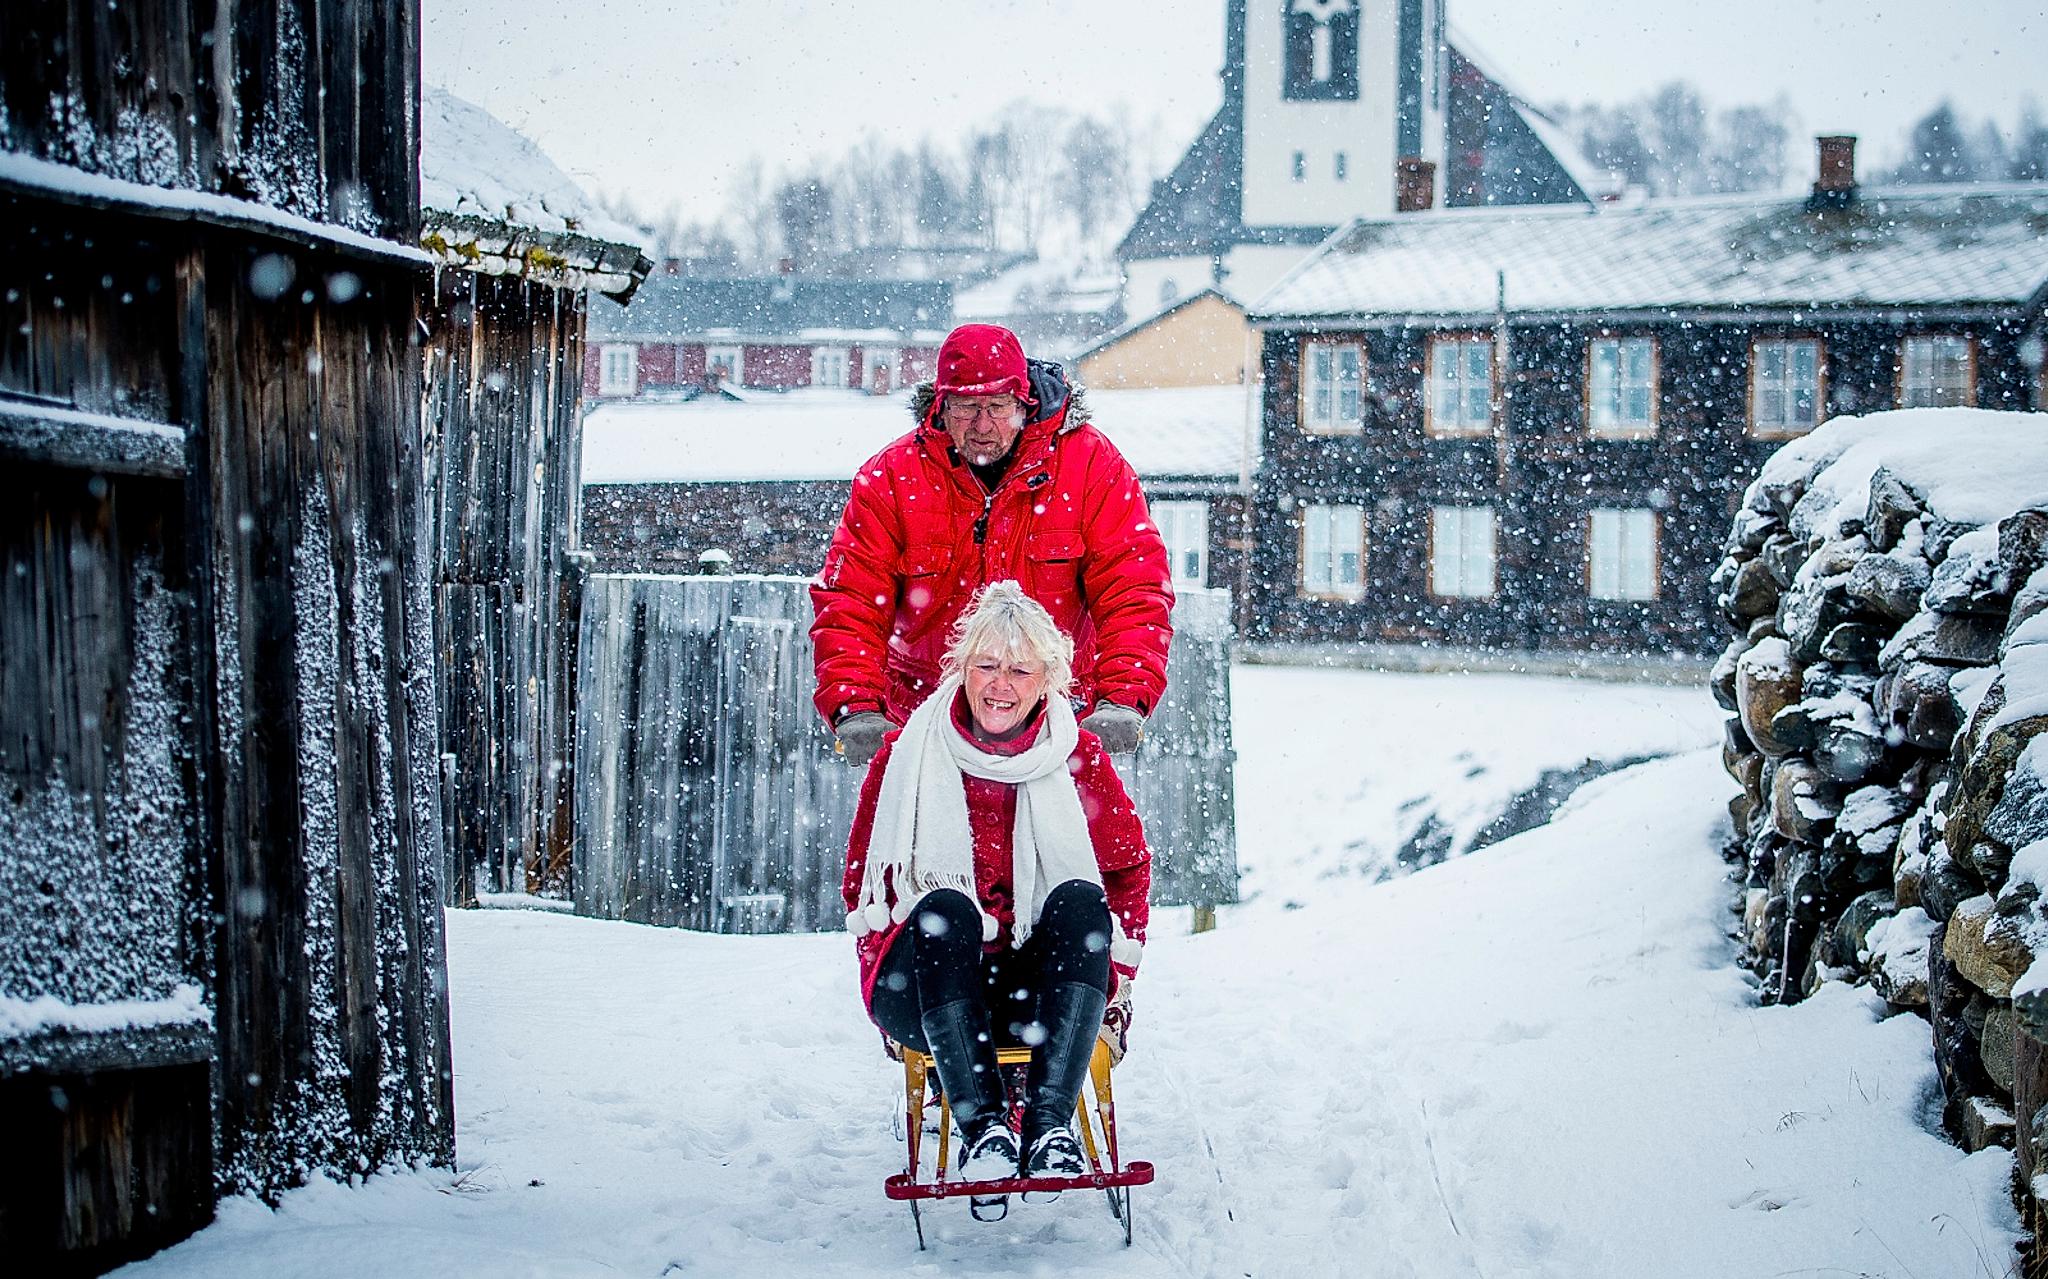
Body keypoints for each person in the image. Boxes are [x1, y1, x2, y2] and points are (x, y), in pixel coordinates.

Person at [843, 582, 1149, 1220]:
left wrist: (1112, 979)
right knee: (943, 908)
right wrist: (885, 955)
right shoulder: (910, 754)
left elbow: (1126, 877)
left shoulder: (1078, 758)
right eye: (985, 665)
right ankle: (982, 1129)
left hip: (1041, 993)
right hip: (929, 985)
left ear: (1047, 680)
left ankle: (1048, 1128)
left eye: (1019, 668)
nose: (1000, 684)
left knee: (1081, 901)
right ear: (960, 668)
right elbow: (863, 882)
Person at [809, 322, 1175, 765]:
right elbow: (852, 600)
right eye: (966, 407)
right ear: (941, 406)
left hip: (1057, 727)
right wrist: (857, 707)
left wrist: (1122, 698)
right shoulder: (890, 478)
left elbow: (1133, 588)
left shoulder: (1091, 466)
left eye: (998, 406)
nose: (983, 426)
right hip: (926, 728)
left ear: (1024, 404)